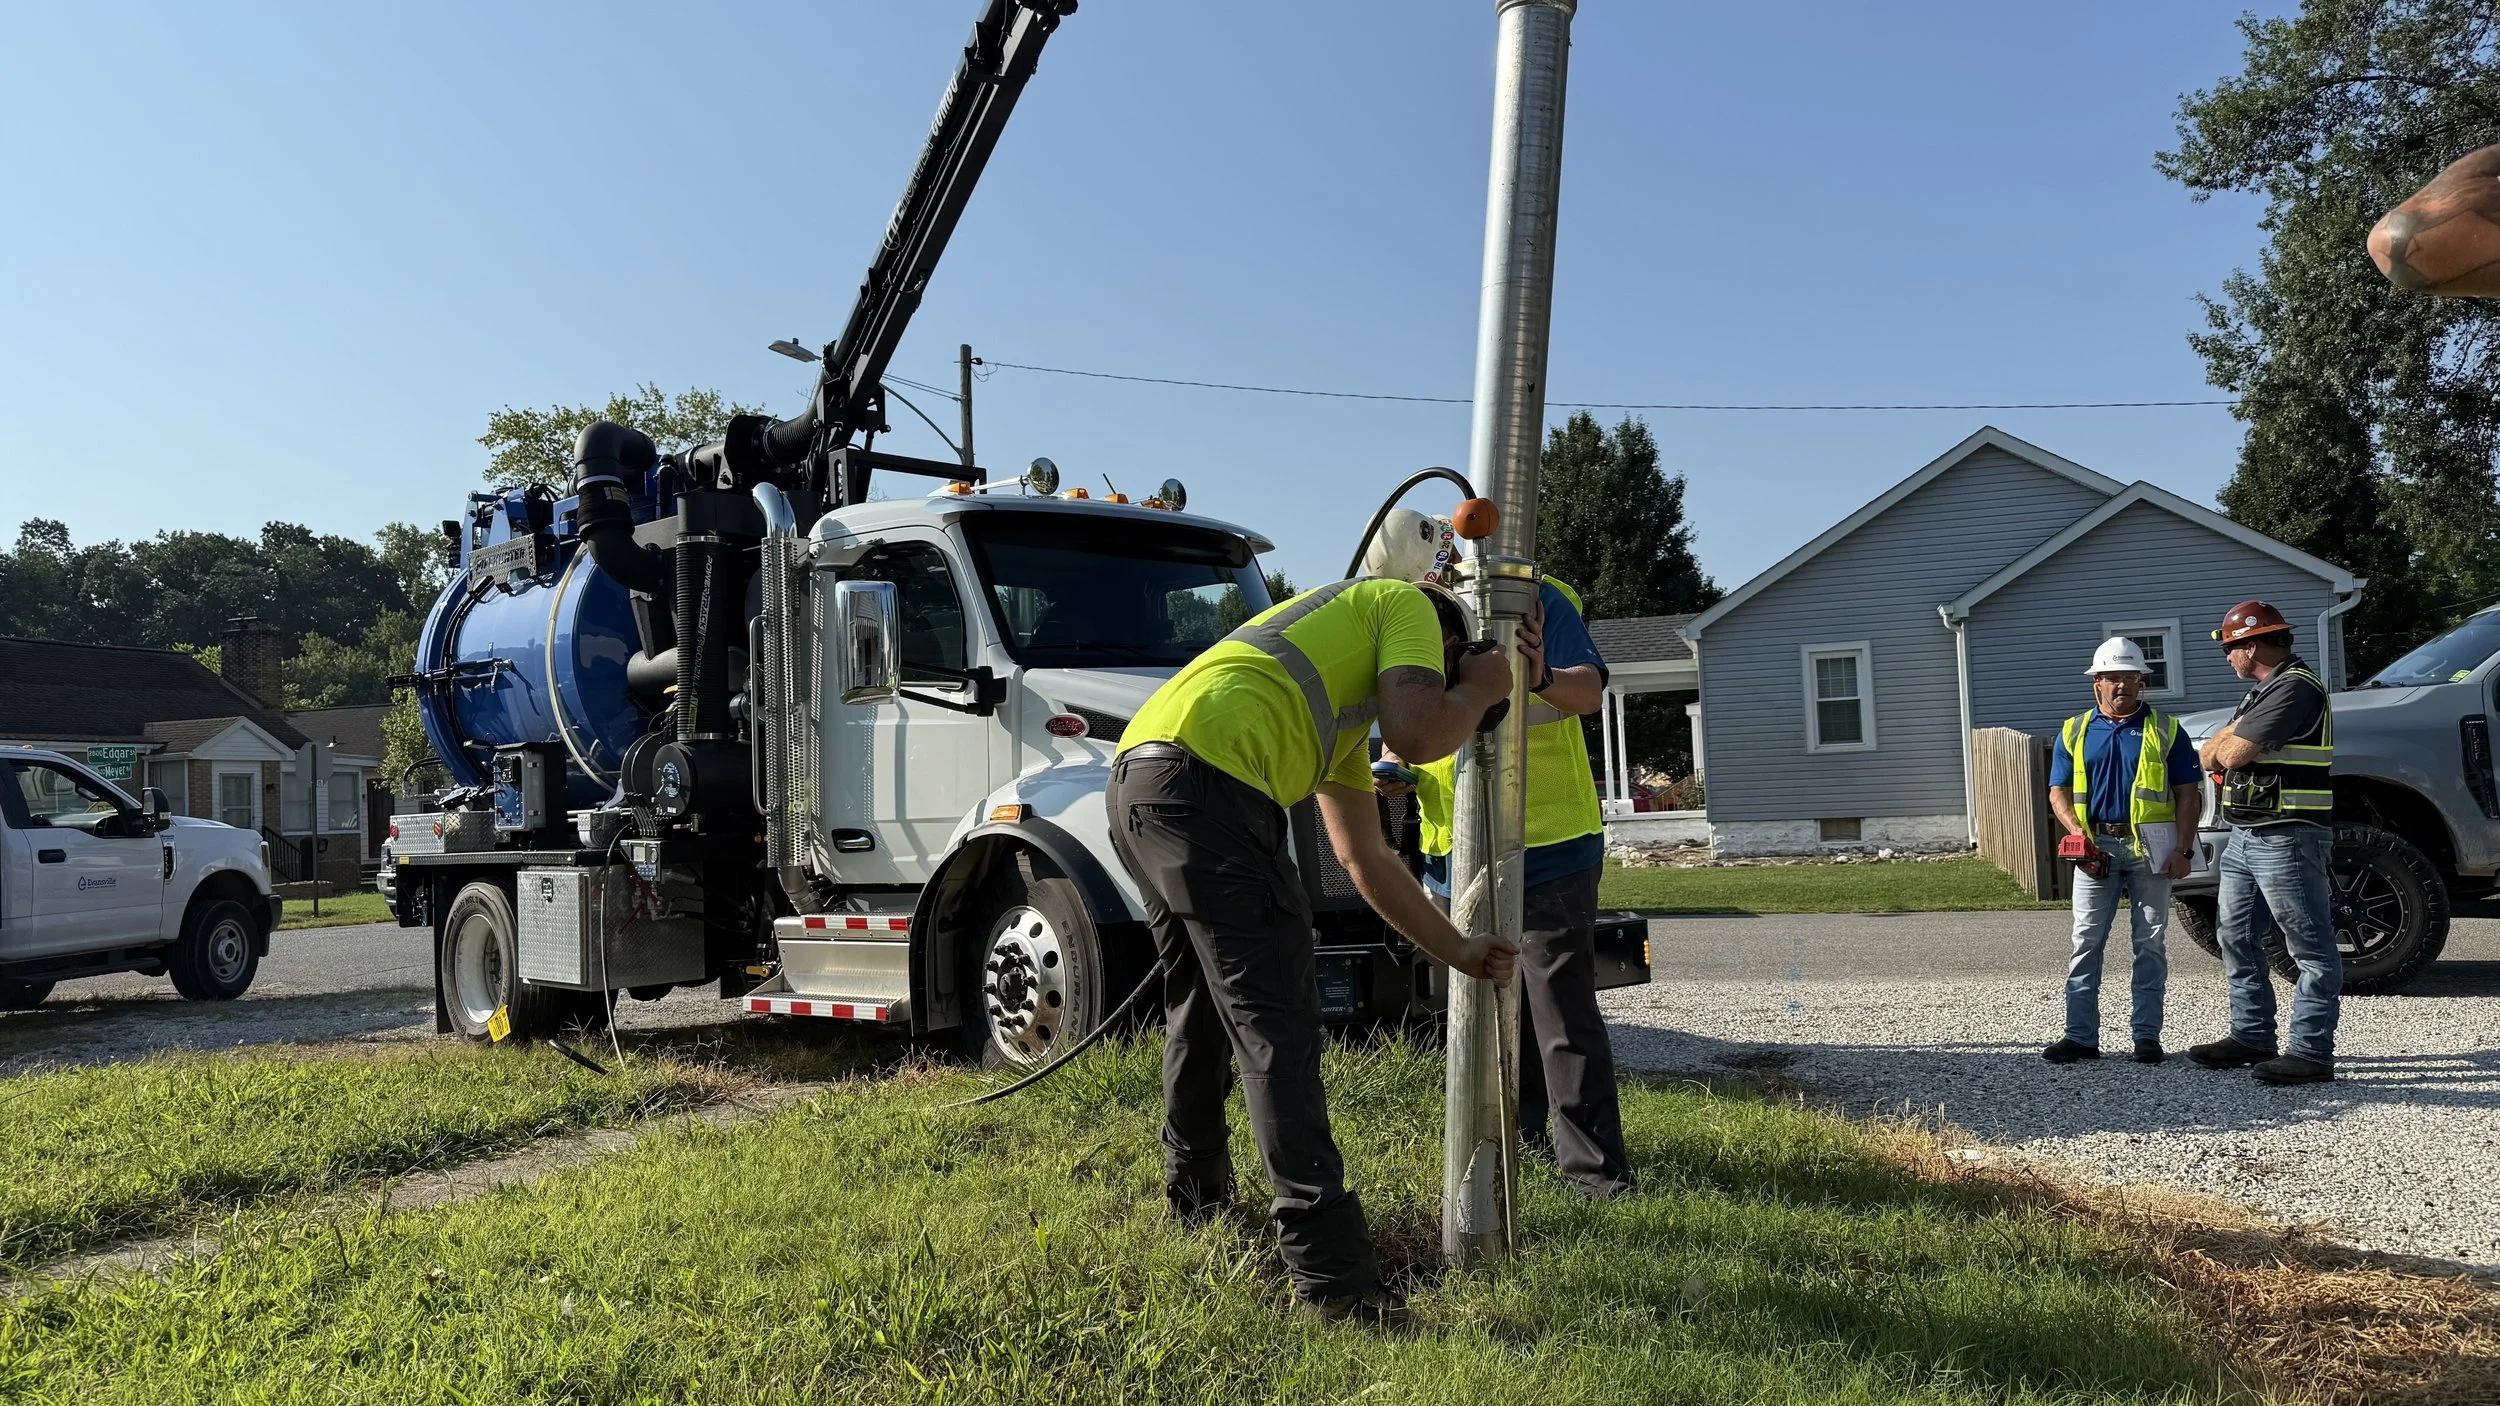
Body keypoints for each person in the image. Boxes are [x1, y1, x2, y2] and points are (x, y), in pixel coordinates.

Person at [1105, 571, 1519, 1326]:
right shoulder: (1404, 603)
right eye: (1445, 669)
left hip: (1141, 781)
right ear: (1447, 642)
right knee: (1279, 1032)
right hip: (1212, 786)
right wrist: (1486, 688)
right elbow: (1421, 733)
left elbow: (1368, 863)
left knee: (1199, 1008)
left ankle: (1194, 1201)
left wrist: (1457, 949)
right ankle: (1333, 1284)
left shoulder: (1326, 718)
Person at [1377, 561, 1633, 1200]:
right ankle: (1514, 1141)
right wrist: (1394, 762)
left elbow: (1588, 694)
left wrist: (1541, 674)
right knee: (1483, 1009)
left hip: (1550, 844)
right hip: (1451, 849)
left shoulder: (1540, 601)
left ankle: (1596, 1176)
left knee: (1559, 1009)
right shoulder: (1414, 619)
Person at [2187, 601, 2340, 1086]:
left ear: (2252, 645)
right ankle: (2252, 1036)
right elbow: (2212, 753)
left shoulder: (2294, 687)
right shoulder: (2264, 691)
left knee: (2310, 947)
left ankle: (2311, 1053)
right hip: (2248, 834)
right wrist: (2226, 743)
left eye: (2230, 648)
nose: (2227, 657)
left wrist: (2227, 742)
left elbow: (2228, 753)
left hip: (2288, 834)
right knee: (2234, 935)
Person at [2040, 638, 2203, 1066]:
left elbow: (2189, 794)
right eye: (2112, 678)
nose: (2121, 686)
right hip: (2095, 847)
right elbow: (2057, 791)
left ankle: (2146, 1037)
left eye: (2130, 678)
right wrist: (2077, 832)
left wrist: (2183, 849)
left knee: (2149, 943)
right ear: (2097, 683)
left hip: (2151, 849)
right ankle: (2080, 1037)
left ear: (2141, 683)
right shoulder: (2074, 730)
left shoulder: (2166, 730)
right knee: (2085, 942)